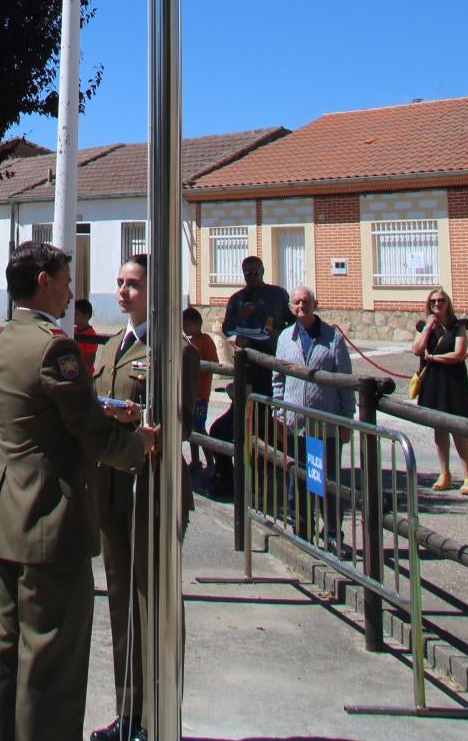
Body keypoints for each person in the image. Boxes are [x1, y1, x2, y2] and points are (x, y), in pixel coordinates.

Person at [0, 240, 158, 741]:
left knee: (8, 657)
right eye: (65, 279)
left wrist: (99, 408)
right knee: (51, 667)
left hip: (12, 519)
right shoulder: (54, 346)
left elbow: (51, 413)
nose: (70, 291)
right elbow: (92, 437)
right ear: (44, 282)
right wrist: (138, 444)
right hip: (51, 525)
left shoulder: (10, 338)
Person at [90, 253, 197, 741]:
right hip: (114, 489)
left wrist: (143, 421)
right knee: (120, 604)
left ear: (154, 291)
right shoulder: (111, 345)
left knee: (152, 602)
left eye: (132, 284)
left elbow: (183, 422)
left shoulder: (174, 349)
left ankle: (159, 713)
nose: (123, 292)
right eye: (119, 283)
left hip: (154, 488)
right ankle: (128, 713)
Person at [272, 286, 354, 549]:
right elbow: (278, 379)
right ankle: (302, 527)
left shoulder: (332, 339)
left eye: (305, 301)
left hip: (323, 424)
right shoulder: (286, 338)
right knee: (298, 476)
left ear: (314, 304)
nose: (301, 306)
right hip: (295, 424)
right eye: (296, 302)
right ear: (290, 307)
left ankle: (332, 533)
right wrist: (278, 413)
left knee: (324, 479)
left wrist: (346, 419)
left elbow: (344, 380)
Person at [412, 288, 468, 492]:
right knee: (439, 428)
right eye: (433, 302)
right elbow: (417, 350)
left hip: (453, 379)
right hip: (433, 381)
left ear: (448, 302)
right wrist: (429, 327)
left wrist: (434, 358)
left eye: (441, 301)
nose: (437, 304)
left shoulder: (458, 325)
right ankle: (444, 473)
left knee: (458, 427)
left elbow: (459, 354)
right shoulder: (424, 325)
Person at [222, 255, 292, 384]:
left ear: (263, 271)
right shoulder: (236, 299)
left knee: (270, 399)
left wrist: (281, 333)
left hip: (273, 356)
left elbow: (293, 323)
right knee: (245, 401)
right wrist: (240, 317)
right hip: (246, 361)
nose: (251, 277)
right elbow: (227, 330)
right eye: (247, 273)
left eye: (255, 273)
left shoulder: (277, 294)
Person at [183, 306, 218, 471]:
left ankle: (210, 461)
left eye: (188, 324)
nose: (185, 328)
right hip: (190, 392)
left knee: (200, 428)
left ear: (197, 324)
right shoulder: (187, 342)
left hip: (201, 393)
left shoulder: (205, 341)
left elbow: (214, 363)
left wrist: (196, 366)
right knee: (191, 427)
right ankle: (195, 460)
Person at [74, 297, 101, 365]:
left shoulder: (90, 334)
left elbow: (90, 361)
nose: (73, 317)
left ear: (86, 315)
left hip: (86, 373)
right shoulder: (73, 330)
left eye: (76, 314)